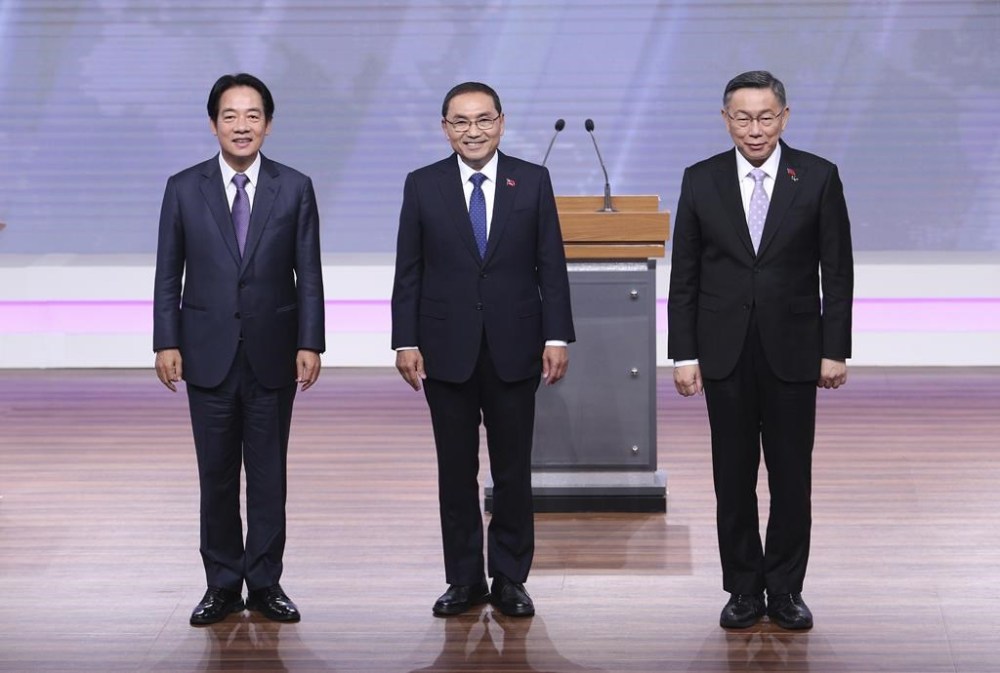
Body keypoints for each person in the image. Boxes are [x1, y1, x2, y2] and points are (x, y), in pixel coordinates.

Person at [667, 71, 853, 630]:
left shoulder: (817, 176)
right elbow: (686, 275)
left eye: (765, 116)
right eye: (743, 117)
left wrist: (835, 349)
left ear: (785, 117)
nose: (755, 129)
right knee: (733, 476)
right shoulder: (700, 180)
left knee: (792, 476)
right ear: (726, 120)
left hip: (796, 350)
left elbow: (837, 271)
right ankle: (744, 589)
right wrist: (683, 354)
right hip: (723, 353)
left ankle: (787, 588)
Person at [391, 82, 575, 618]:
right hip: (445, 348)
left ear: (501, 121)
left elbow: (551, 266)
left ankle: (511, 578)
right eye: (461, 122)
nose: (473, 131)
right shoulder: (422, 185)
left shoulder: (533, 180)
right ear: (445, 128)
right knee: (455, 470)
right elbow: (410, 270)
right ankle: (464, 579)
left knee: (513, 470)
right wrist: (406, 339)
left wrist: (556, 335)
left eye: (483, 120)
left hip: (516, 347)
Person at [153, 73, 325, 626]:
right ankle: (222, 584)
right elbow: (167, 273)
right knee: (218, 475)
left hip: (275, 351)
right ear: (213, 123)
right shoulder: (183, 187)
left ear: (268, 124)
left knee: (269, 474)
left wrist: (310, 341)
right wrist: (166, 341)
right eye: (231, 115)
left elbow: (310, 275)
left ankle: (266, 582)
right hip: (206, 352)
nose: (242, 125)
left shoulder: (294, 187)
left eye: (253, 115)